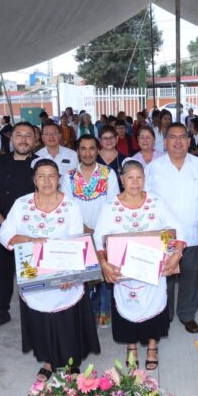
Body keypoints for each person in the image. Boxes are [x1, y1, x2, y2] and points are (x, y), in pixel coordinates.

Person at [0, 159, 100, 381]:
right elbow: (4, 232)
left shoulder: (70, 207)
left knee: (67, 320)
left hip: (64, 276)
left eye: (52, 176)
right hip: (34, 276)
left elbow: (76, 242)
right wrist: (26, 239)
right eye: (41, 176)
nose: (46, 181)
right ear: (34, 180)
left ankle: (71, 363)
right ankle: (48, 361)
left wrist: (71, 275)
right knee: (41, 320)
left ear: (59, 179)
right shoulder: (21, 204)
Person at [94, 160, 185, 370]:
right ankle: (131, 346)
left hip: (152, 270)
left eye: (139, 177)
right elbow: (99, 239)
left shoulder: (155, 202)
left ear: (145, 179)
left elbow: (177, 228)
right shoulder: (111, 207)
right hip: (124, 273)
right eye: (130, 177)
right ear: (122, 179)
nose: (135, 182)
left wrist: (176, 254)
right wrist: (103, 263)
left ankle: (152, 346)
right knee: (127, 306)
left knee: (155, 305)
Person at [145, 122, 198, 334]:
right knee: (165, 277)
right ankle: (165, 314)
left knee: (191, 276)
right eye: (173, 137)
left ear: (188, 141)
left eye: (182, 137)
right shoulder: (154, 168)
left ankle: (187, 315)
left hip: (192, 233)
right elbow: (144, 199)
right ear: (165, 142)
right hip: (163, 235)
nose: (178, 141)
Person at [0, 121, 40, 328]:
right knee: (3, 274)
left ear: (35, 140)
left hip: (32, 232)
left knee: (32, 274)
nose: (23, 140)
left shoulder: (41, 164)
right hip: (2, 227)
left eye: (28, 135)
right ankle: (2, 311)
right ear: (12, 139)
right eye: (19, 135)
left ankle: (35, 313)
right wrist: (2, 222)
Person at [62, 134, 120, 326]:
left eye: (92, 148)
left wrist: (100, 232)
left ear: (98, 150)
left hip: (104, 233)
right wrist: (86, 230)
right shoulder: (69, 176)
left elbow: (113, 204)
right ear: (78, 151)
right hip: (79, 234)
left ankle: (105, 311)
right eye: (83, 149)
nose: (87, 153)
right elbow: (68, 207)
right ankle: (87, 314)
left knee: (105, 273)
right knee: (84, 276)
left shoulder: (108, 173)